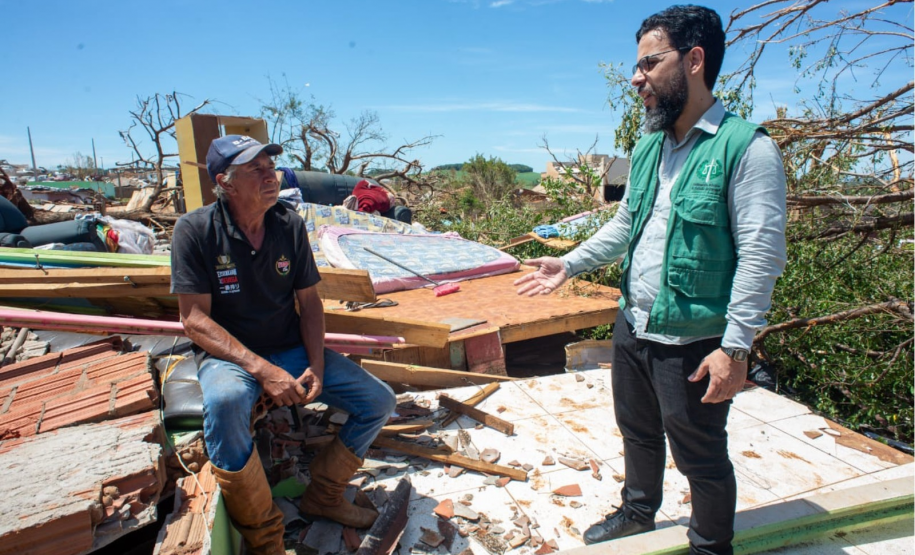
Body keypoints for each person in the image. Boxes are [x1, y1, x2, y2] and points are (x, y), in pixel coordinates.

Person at [515, 6, 786, 555]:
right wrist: (568, 263)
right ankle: (638, 512)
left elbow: (761, 254)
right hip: (634, 322)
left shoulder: (745, 149)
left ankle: (710, 546)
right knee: (636, 430)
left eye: (648, 63)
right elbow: (625, 224)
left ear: (693, 60)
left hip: (693, 339)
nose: (635, 77)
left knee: (700, 456)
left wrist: (736, 348)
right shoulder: (648, 147)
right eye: (636, 66)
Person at [171, 135, 396, 555]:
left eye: (269, 166)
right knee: (226, 405)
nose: (269, 175)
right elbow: (193, 319)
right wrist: (263, 371)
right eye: (254, 169)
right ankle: (265, 539)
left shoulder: (287, 223)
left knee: (378, 400)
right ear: (226, 181)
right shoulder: (196, 230)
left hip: (289, 347)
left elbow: (309, 302)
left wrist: (317, 365)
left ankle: (324, 496)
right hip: (229, 356)